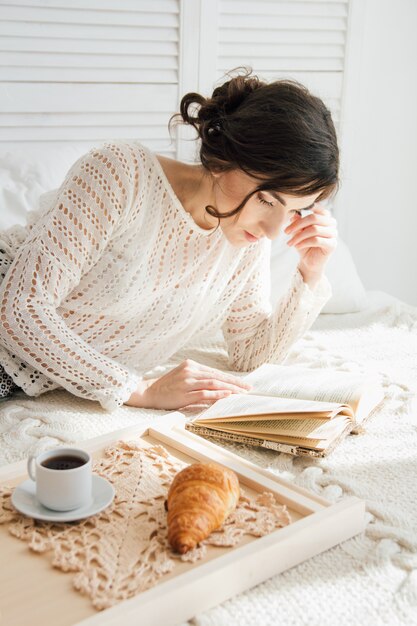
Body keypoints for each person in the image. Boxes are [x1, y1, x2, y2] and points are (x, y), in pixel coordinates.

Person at [0, 68, 338, 412]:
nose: (273, 230)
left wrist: (310, 274)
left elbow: (249, 355)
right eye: (268, 200)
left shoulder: (245, 240)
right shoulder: (121, 173)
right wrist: (138, 389)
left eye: (295, 211)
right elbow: (20, 310)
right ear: (224, 158)